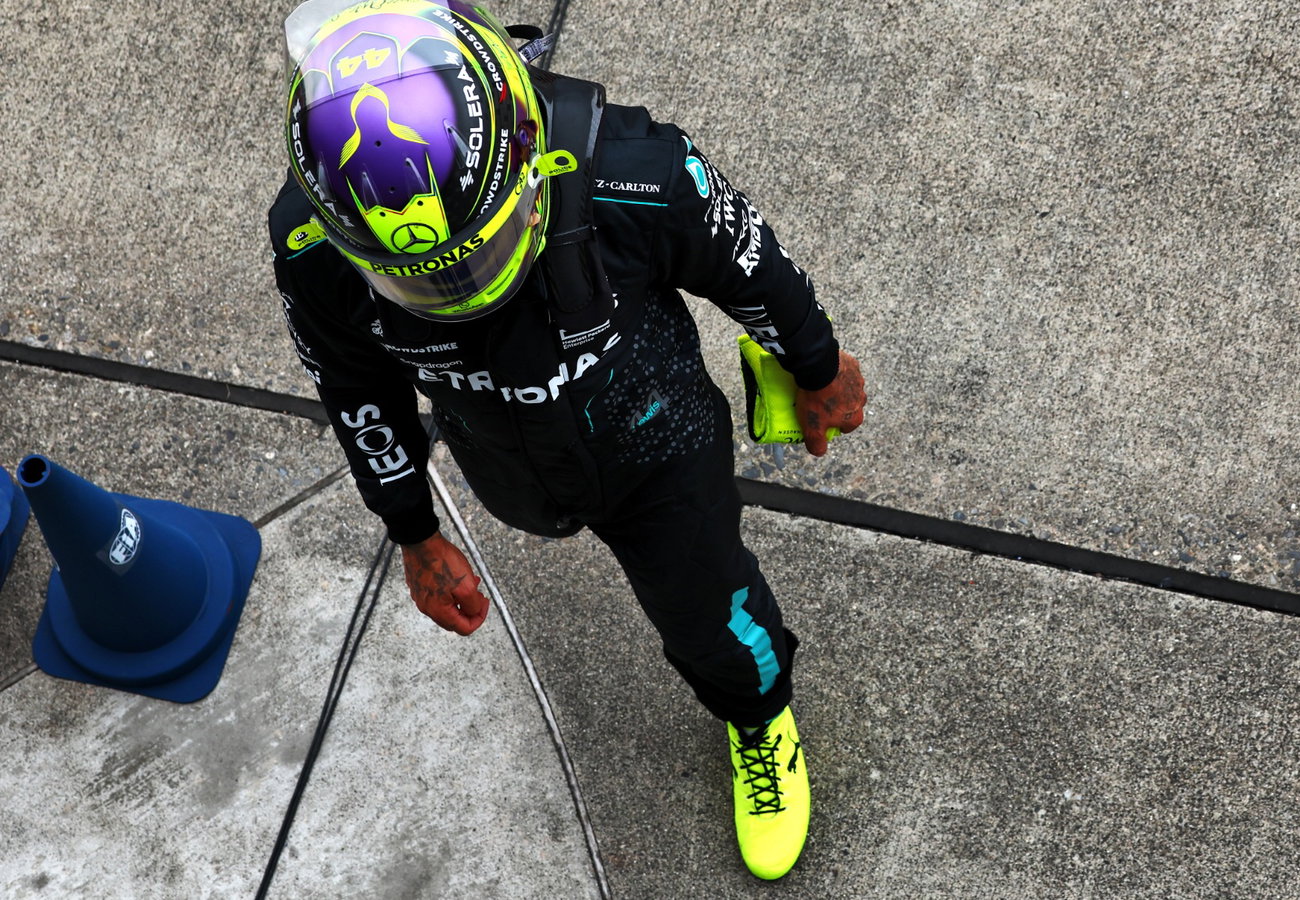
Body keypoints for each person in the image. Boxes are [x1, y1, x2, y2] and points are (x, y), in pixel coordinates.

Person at [269, 0, 864, 881]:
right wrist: (412, 528)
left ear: (523, 145)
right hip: (509, 467)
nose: (458, 285)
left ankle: (758, 716)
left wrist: (815, 363)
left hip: (660, 443)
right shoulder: (313, 245)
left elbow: (748, 261)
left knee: (710, 609)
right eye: (423, 276)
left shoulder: (631, 170)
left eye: (469, 252)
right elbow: (353, 387)